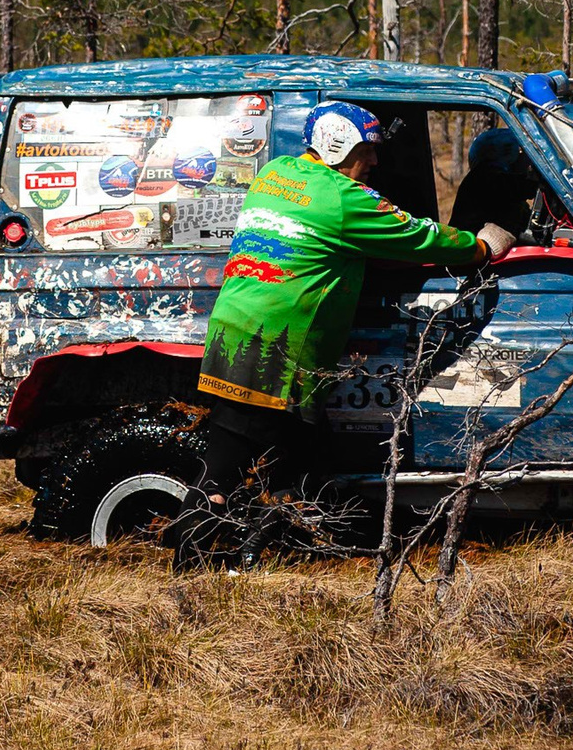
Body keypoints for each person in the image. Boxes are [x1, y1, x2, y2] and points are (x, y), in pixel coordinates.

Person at [193, 101, 516, 495]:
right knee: (224, 477)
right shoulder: (347, 198)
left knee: (296, 463)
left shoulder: (275, 173)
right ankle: (191, 548)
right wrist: (480, 247)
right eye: (368, 150)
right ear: (339, 149)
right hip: (276, 350)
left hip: (233, 332)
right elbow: (419, 236)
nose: (376, 160)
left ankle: (262, 546)